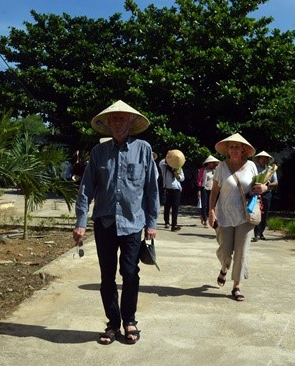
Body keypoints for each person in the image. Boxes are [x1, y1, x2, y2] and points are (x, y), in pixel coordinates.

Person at [73, 100, 159, 345]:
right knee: (107, 275)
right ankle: (112, 323)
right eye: (114, 119)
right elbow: (86, 188)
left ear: (131, 122)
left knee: (130, 273)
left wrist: (152, 222)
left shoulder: (143, 149)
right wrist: (80, 221)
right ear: (108, 123)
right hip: (105, 223)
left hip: (133, 223)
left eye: (122, 118)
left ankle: (129, 320)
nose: (118, 122)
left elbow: (152, 190)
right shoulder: (99, 153)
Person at [208, 133, 268, 302]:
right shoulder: (221, 167)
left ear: (244, 150)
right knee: (225, 251)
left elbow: (259, 185)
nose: (234, 150)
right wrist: (211, 211)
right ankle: (224, 268)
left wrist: (263, 188)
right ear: (228, 149)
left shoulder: (251, 166)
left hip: (245, 216)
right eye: (231, 147)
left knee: (241, 252)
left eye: (237, 147)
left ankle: (236, 286)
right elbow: (214, 190)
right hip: (224, 215)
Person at [252, 151, 278, 241]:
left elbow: (276, 182)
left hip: (267, 193)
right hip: (256, 193)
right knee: (257, 212)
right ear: (258, 159)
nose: (264, 160)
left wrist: (268, 185)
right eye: (262, 158)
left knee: (265, 213)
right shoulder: (255, 168)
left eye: (265, 158)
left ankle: (261, 232)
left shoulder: (271, 169)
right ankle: (257, 234)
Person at [159, 150, 185, 231]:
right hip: (167, 189)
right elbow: (161, 162)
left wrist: (177, 175)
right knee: (167, 206)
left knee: (175, 207)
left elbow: (182, 178)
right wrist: (169, 156)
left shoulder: (179, 168)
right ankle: (167, 222)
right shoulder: (164, 167)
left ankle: (174, 224)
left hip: (176, 189)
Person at [196, 155, 220, 227]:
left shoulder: (216, 171)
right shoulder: (203, 170)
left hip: (213, 190)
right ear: (208, 163)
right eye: (211, 163)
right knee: (204, 204)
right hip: (204, 189)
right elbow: (200, 180)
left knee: (212, 205)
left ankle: (208, 217)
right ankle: (205, 219)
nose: (212, 164)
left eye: (213, 163)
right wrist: (199, 190)